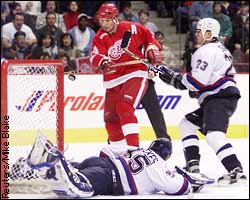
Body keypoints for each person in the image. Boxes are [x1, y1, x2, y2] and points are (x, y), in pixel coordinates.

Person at [149, 18, 247, 185]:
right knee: (187, 124)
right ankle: (193, 166)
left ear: (209, 34)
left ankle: (236, 172)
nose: (196, 34)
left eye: (199, 31)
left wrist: (175, 78)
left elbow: (197, 83)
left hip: (219, 98)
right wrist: (175, 78)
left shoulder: (206, 51)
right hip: (219, 98)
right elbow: (198, 85)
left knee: (214, 136)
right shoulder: (218, 49)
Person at [10, 133, 214, 198]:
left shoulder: (139, 150)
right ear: (166, 156)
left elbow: (106, 151)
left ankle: (28, 169)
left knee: (79, 167)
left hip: (102, 163)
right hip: (110, 179)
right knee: (80, 187)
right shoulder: (160, 165)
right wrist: (189, 181)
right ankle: (57, 162)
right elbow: (177, 187)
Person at [90, 3, 164, 155]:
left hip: (135, 73)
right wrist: (102, 61)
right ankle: (120, 151)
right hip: (114, 79)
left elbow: (150, 39)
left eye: (107, 21)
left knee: (124, 107)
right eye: (101, 21)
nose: (104, 24)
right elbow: (95, 56)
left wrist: (152, 49)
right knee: (110, 118)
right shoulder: (100, 36)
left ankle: (133, 150)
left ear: (115, 18)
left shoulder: (133, 28)